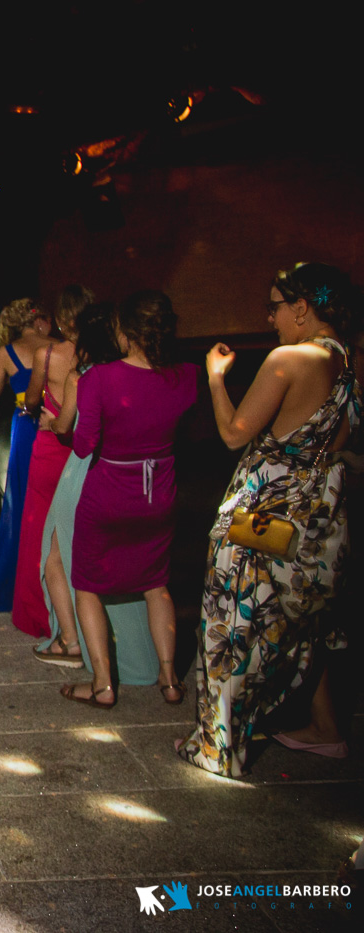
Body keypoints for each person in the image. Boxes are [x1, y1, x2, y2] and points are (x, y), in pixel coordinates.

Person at [179, 263, 360, 775]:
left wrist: (216, 380)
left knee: (232, 622)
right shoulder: (351, 361)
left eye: (275, 305)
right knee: (301, 620)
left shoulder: (290, 358)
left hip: (263, 518)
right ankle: (326, 729)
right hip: (318, 518)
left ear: (302, 307)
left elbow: (235, 434)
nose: (270, 316)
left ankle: (218, 748)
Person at [59, 292, 198, 709]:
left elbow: (83, 447)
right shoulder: (187, 376)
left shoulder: (100, 378)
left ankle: (102, 684)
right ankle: (170, 679)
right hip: (159, 494)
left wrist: (65, 419)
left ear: (127, 330)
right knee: (157, 584)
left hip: (109, 495)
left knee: (86, 587)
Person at [32, 303, 158, 685]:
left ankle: (71, 640)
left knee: (56, 551)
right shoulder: (140, 373)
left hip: (84, 468)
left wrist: (50, 422)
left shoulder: (81, 376)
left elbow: (69, 428)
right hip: (134, 472)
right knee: (125, 564)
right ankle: (140, 655)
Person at [8, 286, 91, 636]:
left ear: (59, 319)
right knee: (80, 532)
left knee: (38, 527)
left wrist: (32, 407)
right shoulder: (103, 356)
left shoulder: (47, 354)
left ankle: (42, 613)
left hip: (51, 447)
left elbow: (29, 400)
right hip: (86, 451)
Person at [0, 299, 56, 611]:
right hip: (60, 423)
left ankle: (25, 584)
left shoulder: (6, 353)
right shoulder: (61, 347)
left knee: (23, 505)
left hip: (28, 428)